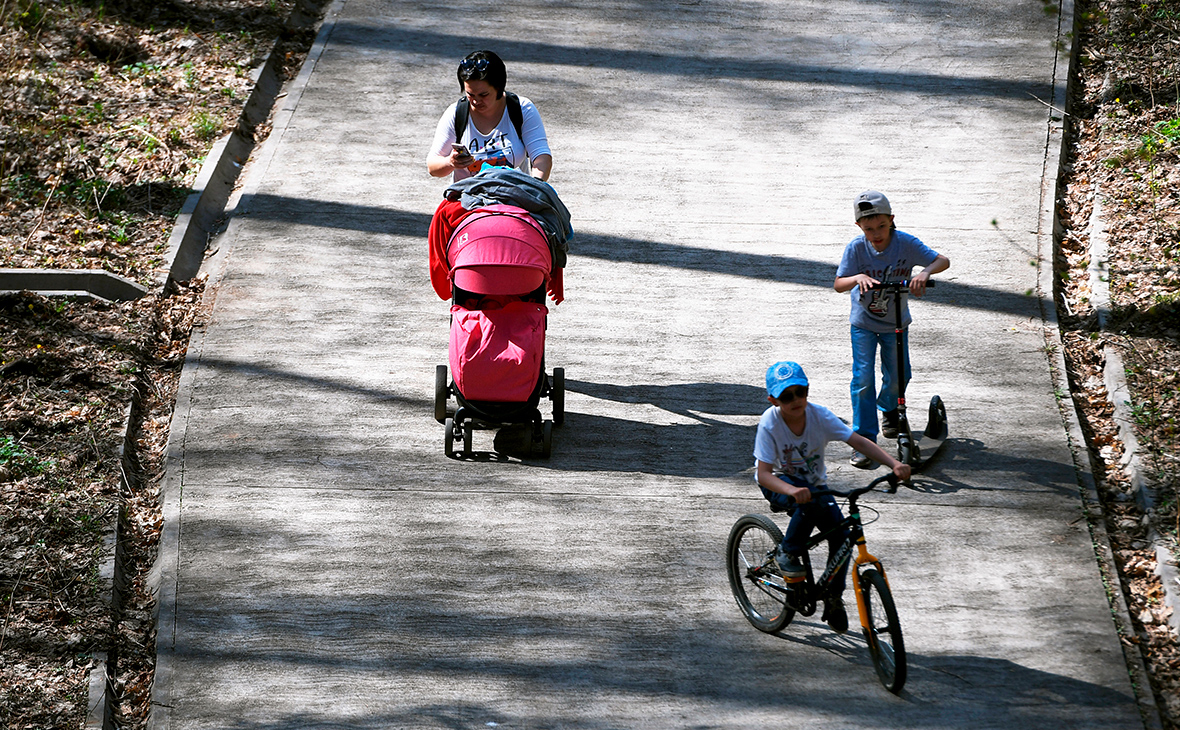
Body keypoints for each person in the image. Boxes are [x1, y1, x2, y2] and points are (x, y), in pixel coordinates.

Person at [753, 360, 911, 633]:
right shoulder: (770, 423)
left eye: (799, 392)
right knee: (810, 499)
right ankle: (787, 552)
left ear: (807, 391)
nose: (795, 400)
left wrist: (892, 464)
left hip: (814, 486)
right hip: (779, 483)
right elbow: (763, 474)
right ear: (773, 399)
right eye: (786, 396)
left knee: (841, 536)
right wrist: (791, 489)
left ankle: (833, 597)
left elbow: (858, 441)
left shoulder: (819, 416)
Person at [834, 190, 950, 469]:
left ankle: (888, 409)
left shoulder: (906, 244)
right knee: (862, 379)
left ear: (891, 220)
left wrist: (924, 273)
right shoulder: (856, 248)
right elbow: (839, 284)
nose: (876, 234)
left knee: (899, 374)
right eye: (869, 228)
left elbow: (942, 260)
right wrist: (857, 277)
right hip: (862, 324)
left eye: (881, 226)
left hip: (896, 322)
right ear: (859, 227)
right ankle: (864, 438)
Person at [426, 50, 553, 182]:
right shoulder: (456, 113)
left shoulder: (521, 109)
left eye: (483, 95)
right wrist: (450, 162)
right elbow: (432, 166)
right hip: (468, 197)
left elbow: (541, 156)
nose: (476, 101)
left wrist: (535, 187)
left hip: (512, 195)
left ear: (498, 87)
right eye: (470, 94)